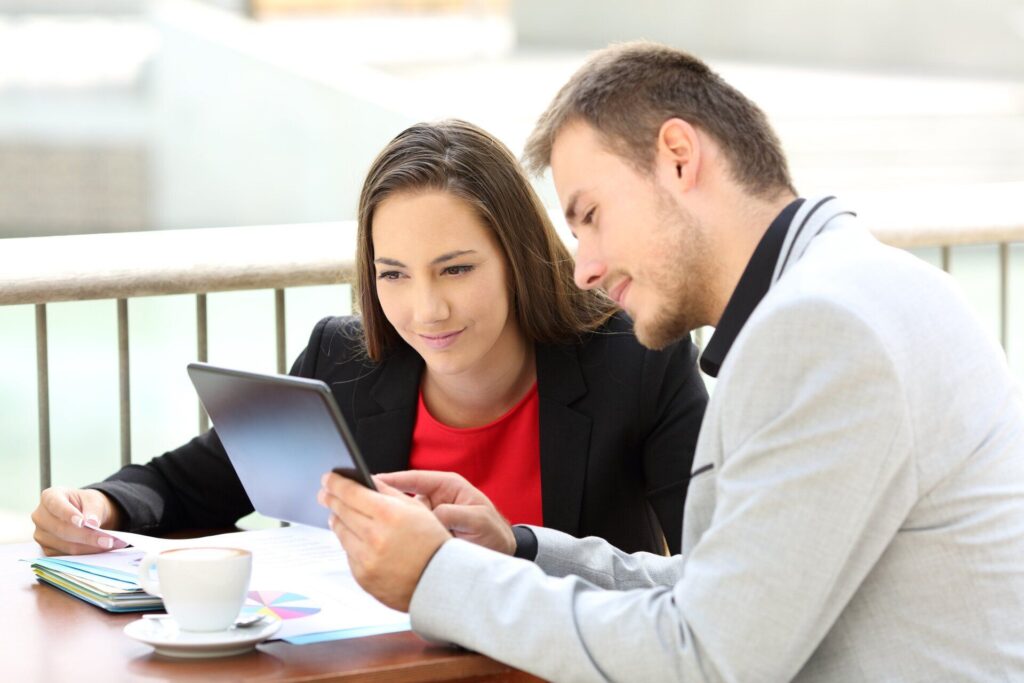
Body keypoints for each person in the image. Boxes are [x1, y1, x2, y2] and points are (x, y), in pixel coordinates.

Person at [317, 43, 1024, 681]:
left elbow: (707, 656)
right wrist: (518, 548)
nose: (584, 268)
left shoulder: (821, 327)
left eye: (590, 215)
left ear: (679, 157)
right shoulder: (853, 290)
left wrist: (439, 575)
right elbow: (717, 591)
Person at [31, 119, 708, 559]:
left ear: (519, 257)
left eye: (457, 268)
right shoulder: (344, 361)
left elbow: (712, 569)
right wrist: (100, 505)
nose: (427, 308)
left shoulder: (636, 359)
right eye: (394, 274)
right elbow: (190, 482)